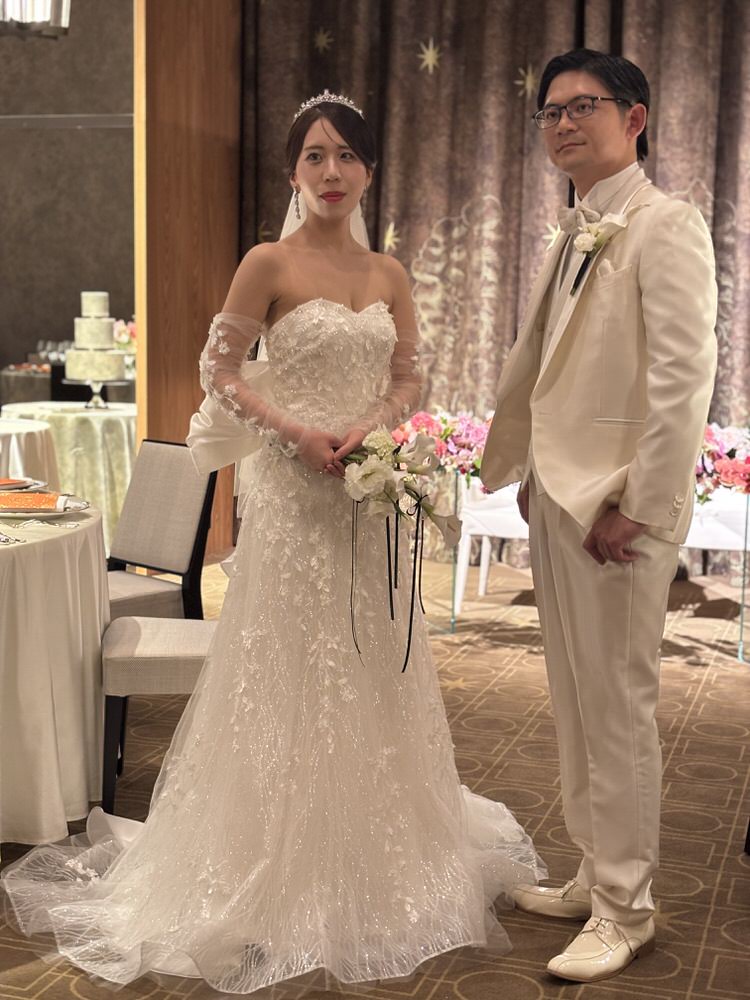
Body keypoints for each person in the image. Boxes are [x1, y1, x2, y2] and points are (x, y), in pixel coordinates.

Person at [2, 93, 544, 996]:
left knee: (373, 658)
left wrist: (372, 429)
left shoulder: (388, 273)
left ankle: (377, 848)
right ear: (293, 172)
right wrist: (294, 431)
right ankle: (263, 856)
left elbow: (409, 374)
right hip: (293, 498)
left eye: (347, 157)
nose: (332, 172)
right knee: (287, 661)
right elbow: (218, 370)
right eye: (314, 156)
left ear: (368, 172)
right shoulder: (268, 262)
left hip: (364, 496)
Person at [481, 49, 717, 983]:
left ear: (635, 117)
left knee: (617, 707)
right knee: (577, 701)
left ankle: (628, 906)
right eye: (551, 112)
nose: (564, 124)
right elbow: (555, 367)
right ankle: (595, 872)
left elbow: (682, 381)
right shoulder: (576, 230)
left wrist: (639, 503)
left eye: (584, 107)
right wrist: (536, 471)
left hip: (618, 509)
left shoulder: (666, 226)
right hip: (560, 495)